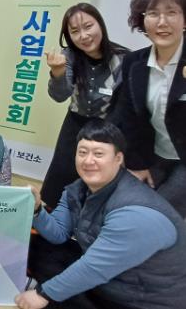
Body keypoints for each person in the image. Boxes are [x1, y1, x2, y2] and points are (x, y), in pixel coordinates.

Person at [17, 120, 186, 309]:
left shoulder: (136, 212)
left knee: (58, 286)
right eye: (82, 152)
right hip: (113, 280)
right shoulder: (77, 190)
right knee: (35, 245)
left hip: (143, 299)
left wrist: (43, 294)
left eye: (98, 154)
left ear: (118, 158)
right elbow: (58, 234)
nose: (88, 161)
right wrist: (37, 210)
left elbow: (95, 268)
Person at [40, 3, 128, 208]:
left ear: (100, 24)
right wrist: (58, 73)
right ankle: (47, 217)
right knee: (60, 175)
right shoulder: (69, 55)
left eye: (88, 26)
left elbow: (126, 105)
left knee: (96, 177)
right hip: (74, 124)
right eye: (75, 31)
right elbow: (59, 96)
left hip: (108, 127)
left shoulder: (124, 58)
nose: (84, 36)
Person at [112, 0, 186, 217]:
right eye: (153, 13)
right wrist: (136, 163)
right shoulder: (134, 62)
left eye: (172, 12)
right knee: (128, 207)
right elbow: (128, 116)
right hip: (153, 154)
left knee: (158, 214)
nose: (162, 22)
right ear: (142, 19)